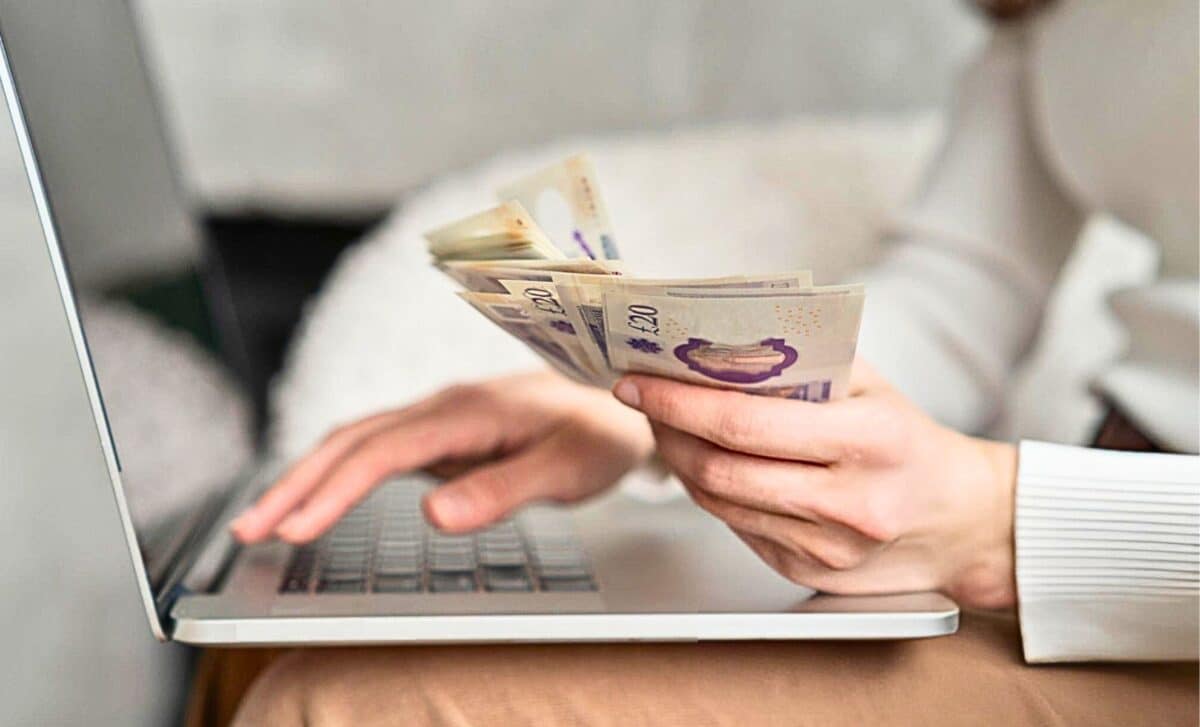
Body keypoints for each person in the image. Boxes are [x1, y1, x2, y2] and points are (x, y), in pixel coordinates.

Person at [224, 0, 1198, 723]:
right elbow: (952, 301)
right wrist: (646, 405)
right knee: (278, 638)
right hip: (1089, 530)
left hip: (1152, 597)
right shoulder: (1053, 25)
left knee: (341, 703)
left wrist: (1002, 524)